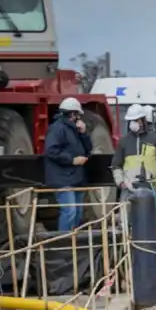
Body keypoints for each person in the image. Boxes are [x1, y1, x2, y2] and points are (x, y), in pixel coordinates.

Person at [44, 98, 93, 232]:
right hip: (62, 178)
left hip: (75, 178)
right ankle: (63, 242)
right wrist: (72, 160)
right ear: (72, 114)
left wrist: (84, 133)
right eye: (77, 114)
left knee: (77, 212)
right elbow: (51, 151)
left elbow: (88, 149)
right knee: (70, 211)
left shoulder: (74, 130)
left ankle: (73, 241)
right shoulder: (57, 129)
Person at [111, 104, 156, 200]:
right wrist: (121, 183)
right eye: (131, 120)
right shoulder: (124, 141)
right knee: (126, 214)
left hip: (151, 189)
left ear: (142, 120)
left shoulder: (155, 140)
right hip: (128, 190)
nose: (133, 123)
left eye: (135, 120)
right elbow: (116, 165)